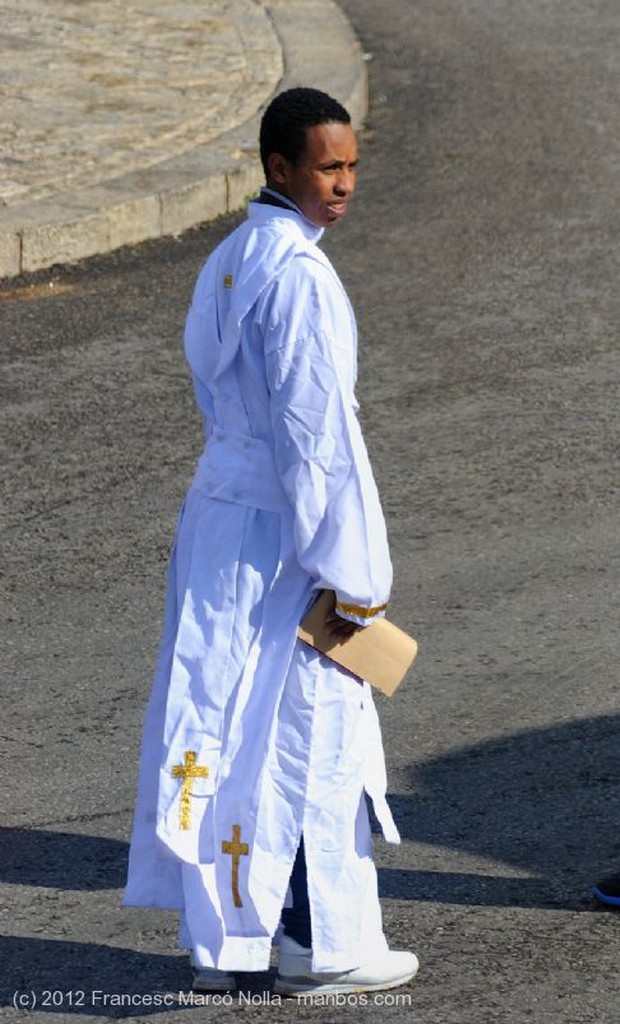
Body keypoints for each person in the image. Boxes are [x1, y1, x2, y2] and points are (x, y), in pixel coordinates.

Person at [123, 86, 418, 997]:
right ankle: (323, 942)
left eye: (352, 166)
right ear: (278, 167)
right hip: (286, 535)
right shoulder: (297, 275)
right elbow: (317, 438)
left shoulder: (231, 257)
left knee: (226, 730)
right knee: (311, 734)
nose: (344, 184)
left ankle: (229, 941)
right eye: (328, 167)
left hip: (224, 522)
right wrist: (356, 579)